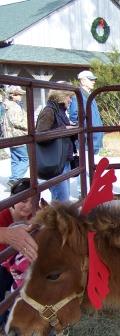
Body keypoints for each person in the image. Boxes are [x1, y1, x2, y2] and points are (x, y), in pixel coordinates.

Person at [0, 178, 38, 325]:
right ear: (13, 198)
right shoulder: (3, 214)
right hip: (4, 263)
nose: (28, 206)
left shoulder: (35, 214)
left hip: (21, 262)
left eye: (33, 201)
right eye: (24, 200)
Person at [36, 89, 76, 201]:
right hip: (55, 162)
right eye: (69, 97)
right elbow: (40, 135)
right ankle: (57, 219)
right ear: (61, 96)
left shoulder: (60, 111)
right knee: (62, 200)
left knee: (63, 199)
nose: (71, 100)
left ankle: (57, 218)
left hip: (62, 160)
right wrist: (65, 129)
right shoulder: (49, 111)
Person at [68, 70, 104, 156]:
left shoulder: (90, 95)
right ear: (83, 81)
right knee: (87, 166)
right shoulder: (78, 95)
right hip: (86, 140)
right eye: (90, 79)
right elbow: (74, 116)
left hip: (94, 138)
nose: (93, 81)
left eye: (93, 80)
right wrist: (84, 129)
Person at [3, 86, 29, 189]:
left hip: (11, 136)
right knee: (25, 159)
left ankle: (14, 178)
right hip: (18, 135)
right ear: (12, 95)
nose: (20, 96)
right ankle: (15, 178)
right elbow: (16, 122)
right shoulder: (13, 107)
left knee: (15, 159)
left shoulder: (8, 106)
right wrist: (29, 126)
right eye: (18, 94)